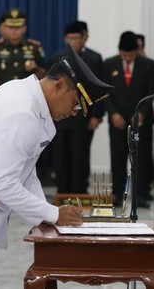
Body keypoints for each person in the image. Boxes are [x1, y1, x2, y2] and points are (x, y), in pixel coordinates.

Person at [0, 43, 114, 288]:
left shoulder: (23, 93)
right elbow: (3, 183)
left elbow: (26, 172)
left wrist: (46, 215)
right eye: (76, 103)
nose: (74, 112)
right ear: (60, 85)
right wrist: (53, 214)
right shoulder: (22, 114)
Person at [48, 21, 104, 193]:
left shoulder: (94, 58)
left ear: (84, 38)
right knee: (61, 153)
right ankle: (62, 190)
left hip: (84, 115)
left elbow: (99, 89)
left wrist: (97, 115)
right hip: (61, 115)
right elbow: (50, 88)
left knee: (80, 153)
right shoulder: (56, 57)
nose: (73, 41)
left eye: (77, 38)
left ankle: (80, 189)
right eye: (70, 38)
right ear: (65, 38)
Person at [102, 31, 154, 208]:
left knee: (141, 158)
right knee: (117, 158)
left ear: (137, 50)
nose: (127, 59)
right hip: (117, 121)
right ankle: (117, 193)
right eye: (124, 55)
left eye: (131, 55)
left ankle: (140, 194)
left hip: (140, 121)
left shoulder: (148, 65)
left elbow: (151, 91)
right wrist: (113, 114)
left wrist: (141, 113)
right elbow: (105, 92)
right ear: (119, 51)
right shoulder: (109, 64)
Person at [0, 8, 46, 97]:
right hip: (3, 95)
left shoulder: (34, 48)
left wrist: (35, 67)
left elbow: (44, 75)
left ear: (24, 28)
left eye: (17, 27)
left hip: (28, 95)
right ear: (5, 28)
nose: (13, 31)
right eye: (10, 27)